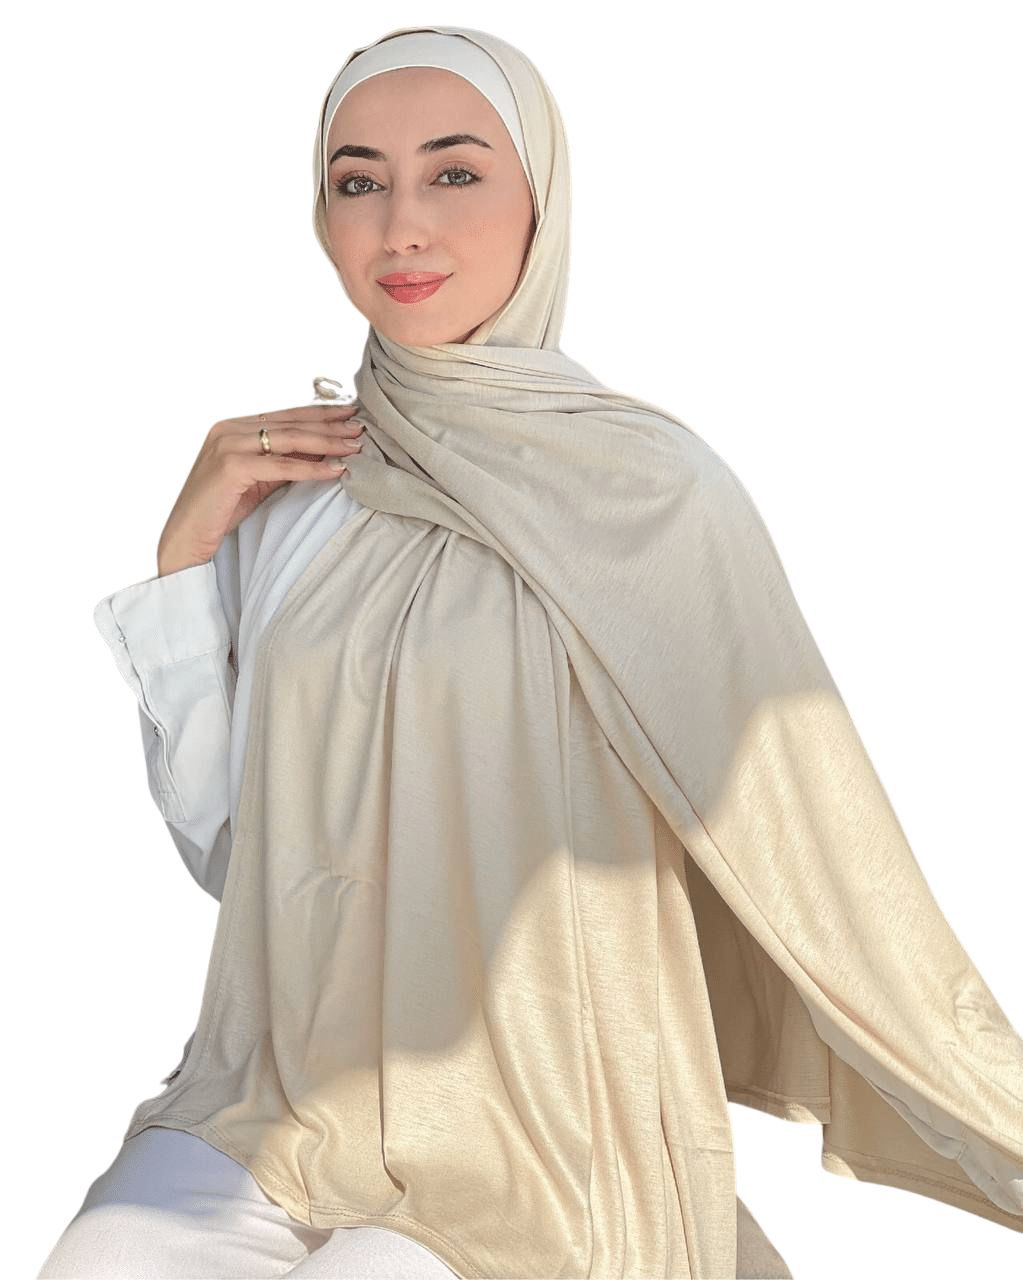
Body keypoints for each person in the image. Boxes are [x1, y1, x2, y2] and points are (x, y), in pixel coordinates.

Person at [37, 23, 1023, 1280]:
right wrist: (185, 563)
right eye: (358, 181)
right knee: (101, 1256)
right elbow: (245, 856)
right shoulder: (295, 500)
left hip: (549, 1115)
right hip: (284, 1093)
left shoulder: (649, 498)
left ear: (541, 202)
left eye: (455, 172)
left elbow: (801, 834)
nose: (403, 225)